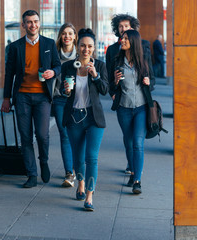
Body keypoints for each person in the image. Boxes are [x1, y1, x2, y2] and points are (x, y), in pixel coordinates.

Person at [1, 10, 61, 188]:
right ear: (23, 25)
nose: (32, 25)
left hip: (42, 96)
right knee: (25, 137)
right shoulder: (15, 47)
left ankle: (43, 161)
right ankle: (32, 174)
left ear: (39, 23)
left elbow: (58, 65)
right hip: (22, 97)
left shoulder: (49, 44)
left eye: (35, 21)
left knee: (42, 135)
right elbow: (9, 74)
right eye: (28, 22)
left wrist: (53, 72)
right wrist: (6, 98)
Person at [61, 28, 108, 211]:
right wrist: (65, 91)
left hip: (94, 118)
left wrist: (95, 75)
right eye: (82, 45)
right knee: (78, 158)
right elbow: (63, 92)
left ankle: (89, 195)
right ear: (77, 46)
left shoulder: (101, 66)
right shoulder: (68, 67)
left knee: (91, 158)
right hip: (74, 116)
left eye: (89, 46)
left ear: (94, 48)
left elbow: (105, 90)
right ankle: (80, 184)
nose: (85, 49)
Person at [105, 13, 154, 175]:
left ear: (132, 28)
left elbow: (151, 76)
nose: (122, 29)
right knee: (129, 139)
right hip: (123, 103)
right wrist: (113, 92)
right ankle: (131, 164)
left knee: (137, 142)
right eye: (120, 27)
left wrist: (148, 81)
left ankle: (136, 176)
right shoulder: (113, 51)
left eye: (126, 26)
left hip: (141, 103)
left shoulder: (144, 46)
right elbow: (108, 76)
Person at [53, 23, 77, 187]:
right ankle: (69, 172)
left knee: (77, 135)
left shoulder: (82, 55)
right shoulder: (54, 55)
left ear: (75, 36)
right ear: (60, 36)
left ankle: (79, 168)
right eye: (64, 33)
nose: (67, 36)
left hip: (78, 101)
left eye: (70, 33)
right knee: (64, 134)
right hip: (60, 99)